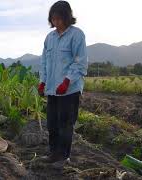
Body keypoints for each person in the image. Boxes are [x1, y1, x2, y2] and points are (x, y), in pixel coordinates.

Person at [38, 1, 88, 164]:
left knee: (65, 123)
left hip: (70, 89)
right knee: (52, 122)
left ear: (67, 18)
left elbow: (80, 62)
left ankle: (63, 155)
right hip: (53, 88)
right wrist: (42, 81)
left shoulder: (76, 35)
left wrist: (67, 81)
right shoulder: (49, 38)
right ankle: (53, 153)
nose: (56, 22)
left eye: (59, 19)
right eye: (53, 19)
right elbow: (44, 62)